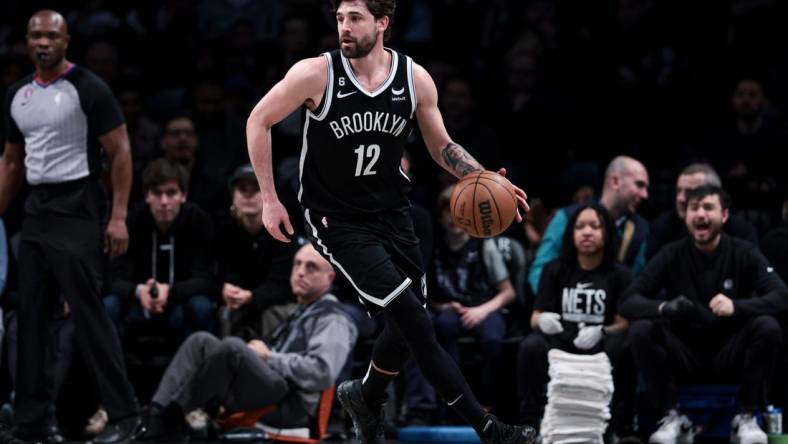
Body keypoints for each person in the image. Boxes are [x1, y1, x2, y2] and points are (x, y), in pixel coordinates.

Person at [245, 1, 535, 443]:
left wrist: (484, 177)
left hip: (392, 213)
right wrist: (269, 199)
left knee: (404, 327)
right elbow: (258, 120)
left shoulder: (413, 78)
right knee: (418, 323)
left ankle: (365, 395)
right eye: (340, 18)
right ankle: (488, 427)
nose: (344, 27)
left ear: (382, 23)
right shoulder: (315, 74)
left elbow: (441, 146)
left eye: (355, 18)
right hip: (336, 219)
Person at [0, 10, 141, 444]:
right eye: (36, 36)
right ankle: (31, 419)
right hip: (37, 208)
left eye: (51, 36)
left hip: (79, 204)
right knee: (32, 314)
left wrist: (117, 217)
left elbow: (120, 153)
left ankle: (124, 414)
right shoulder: (18, 94)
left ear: (66, 41)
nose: (43, 43)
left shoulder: (88, 89)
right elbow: (10, 162)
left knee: (87, 313)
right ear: (26, 41)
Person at [619, 185, 787, 444]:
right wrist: (663, 307)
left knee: (768, 326)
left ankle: (746, 416)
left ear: (724, 215)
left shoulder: (743, 252)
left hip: (730, 354)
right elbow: (628, 301)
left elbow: (781, 295)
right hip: (683, 356)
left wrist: (737, 306)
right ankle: (672, 416)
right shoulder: (671, 253)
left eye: (708, 207)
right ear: (685, 216)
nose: (700, 214)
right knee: (641, 329)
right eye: (693, 208)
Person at [140, 243, 358, 440]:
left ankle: (173, 415)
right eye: (297, 264)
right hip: (272, 391)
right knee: (201, 341)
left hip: (292, 406)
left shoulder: (333, 319)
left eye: (311, 267)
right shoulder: (303, 311)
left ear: (329, 278)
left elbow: (322, 372)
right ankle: (155, 415)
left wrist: (269, 357)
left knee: (233, 348)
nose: (300, 272)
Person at [517, 203, 636, 440]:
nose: (587, 232)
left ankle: (619, 426)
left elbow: (624, 322)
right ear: (571, 234)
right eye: (580, 227)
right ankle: (530, 424)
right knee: (530, 345)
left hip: (598, 347)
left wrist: (602, 330)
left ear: (607, 233)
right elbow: (534, 318)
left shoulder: (620, 275)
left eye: (595, 226)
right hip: (560, 345)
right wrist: (544, 320)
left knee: (624, 346)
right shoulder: (555, 269)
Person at [106, 158, 216, 342]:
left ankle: (202, 369)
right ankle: (111, 370)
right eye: (157, 193)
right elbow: (114, 277)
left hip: (180, 301)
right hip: (139, 302)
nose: (164, 201)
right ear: (147, 195)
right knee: (109, 305)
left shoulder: (199, 220)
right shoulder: (132, 220)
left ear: (183, 195)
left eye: (171, 193)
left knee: (201, 307)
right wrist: (139, 291)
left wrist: (170, 291)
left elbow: (206, 279)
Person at [431, 185, 516, 409]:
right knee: (442, 327)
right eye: (447, 211)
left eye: (459, 211)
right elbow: (427, 297)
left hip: (484, 307)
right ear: (440, 216)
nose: (453, 218)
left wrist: (481, 311)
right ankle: (453, 400)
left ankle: (488, 402)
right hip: (451, 310)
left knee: (492, 338)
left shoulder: (483, 245)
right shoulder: (434, 249)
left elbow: (508, 292)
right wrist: (443, 306)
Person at [528, 155, 650, 294]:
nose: (645, 194)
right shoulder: (567, 217)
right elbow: (539, 272)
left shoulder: (640, 229)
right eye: (639, 184)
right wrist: (560, 304)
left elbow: (637, 283)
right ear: (615, 182)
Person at [217, 164, 300, 340]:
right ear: (233, 195)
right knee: (223, 312)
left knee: (274, 313)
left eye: (257, 188)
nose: (249, 195)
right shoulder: (223, 230)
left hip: (275, 304)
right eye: (242, 189)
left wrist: (252, 297)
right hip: (235, 302)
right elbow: (218, 273)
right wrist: (226, 289)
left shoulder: (285, 230)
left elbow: (284, 284)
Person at [647, 162, 757, 259]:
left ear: (715, 194)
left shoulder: (741, 232)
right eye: (678, 191)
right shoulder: (662, 228)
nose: (680, 198)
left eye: (689, 192)